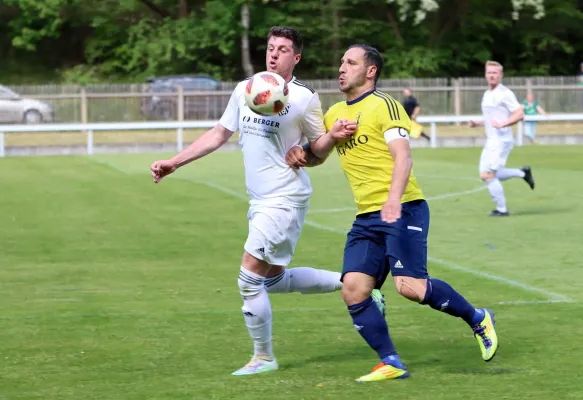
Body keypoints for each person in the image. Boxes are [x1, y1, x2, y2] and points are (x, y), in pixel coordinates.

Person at [150, 26, 379, 376]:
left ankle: (263, 357)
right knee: (271, 279)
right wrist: (174, 163)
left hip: (285, 197)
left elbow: (320, 149)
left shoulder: (304, 98)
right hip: (259, 200)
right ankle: (357, 285)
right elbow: (218, 134)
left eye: (283, 49)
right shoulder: (246, 88)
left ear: (296, 57)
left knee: (248, 278)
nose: (274, 54)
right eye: (271, 47)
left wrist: (307, 150)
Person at [285, 44, 498, 382]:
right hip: (367, 216)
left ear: (370, 71)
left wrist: (394, 199)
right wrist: (303, 152)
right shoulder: (335, 112)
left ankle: (478, 318)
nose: (341, 68)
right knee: (353, 288)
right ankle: (391, 362)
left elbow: (403, 156)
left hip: (404, 207)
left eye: (350, 63)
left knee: (410, 287)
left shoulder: (385, 105)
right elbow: (318, 155)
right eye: (341, 61)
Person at [469, 61, 535, 217]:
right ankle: (522, 173)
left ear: (501, 75)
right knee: (485, 175)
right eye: (489, 72)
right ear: (485, 75)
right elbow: (491, 117)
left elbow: (519, 114)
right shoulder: (487, 94)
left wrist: (503, 124)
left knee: (488, 175)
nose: (491, 75)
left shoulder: (505, 93)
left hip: (502, 140)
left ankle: (502, 209)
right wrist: (477, 122)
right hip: (491, 139)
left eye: (495, 73)